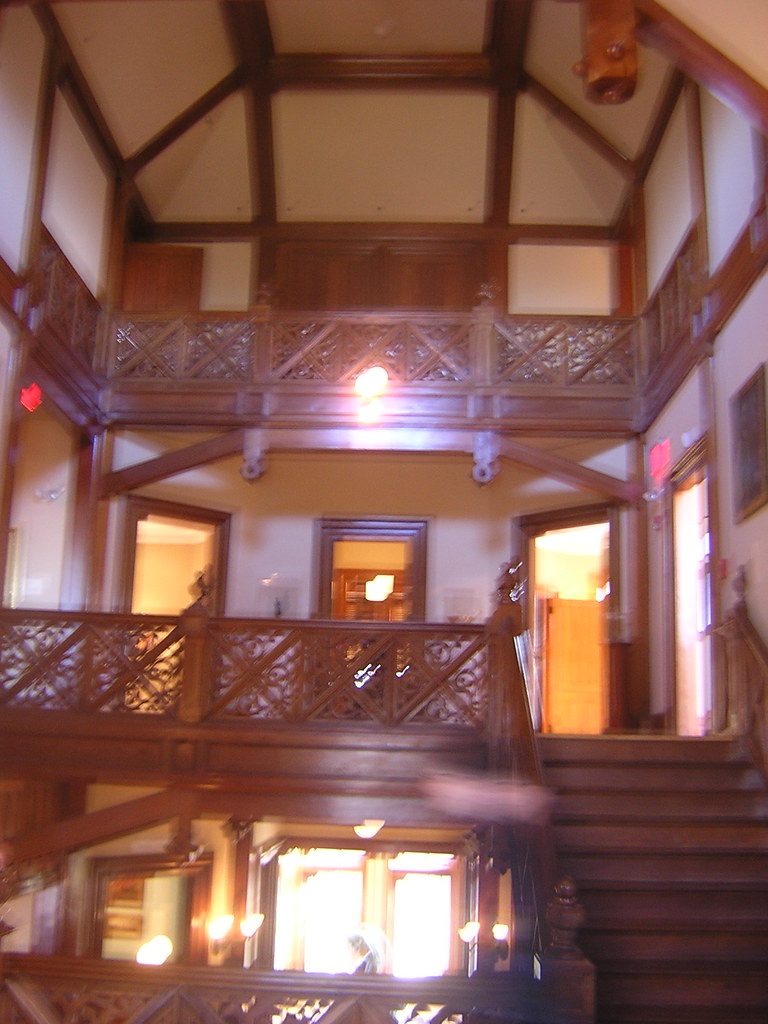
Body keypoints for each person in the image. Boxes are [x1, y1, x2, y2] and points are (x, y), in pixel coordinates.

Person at [422, 770, 554, 825]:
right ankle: (531, 804)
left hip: (478, 794)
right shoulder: (439, 799)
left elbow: (462, 790)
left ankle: (533, 799)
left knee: (503, 797)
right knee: (503, 804)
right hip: (477, 803)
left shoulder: (441, 785)